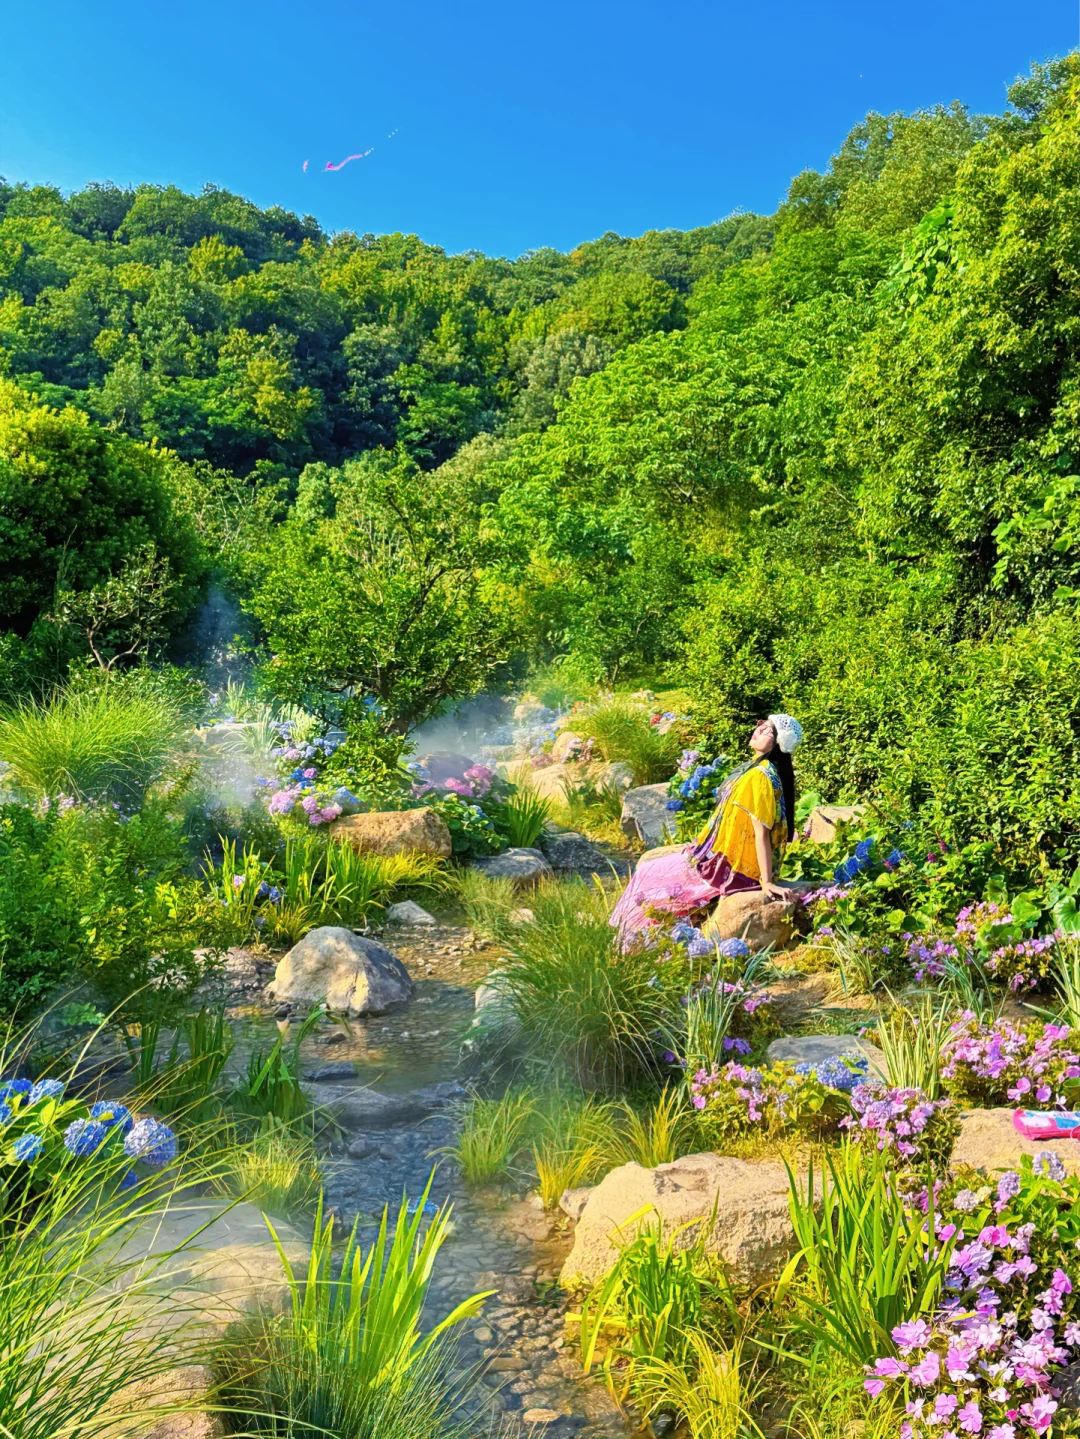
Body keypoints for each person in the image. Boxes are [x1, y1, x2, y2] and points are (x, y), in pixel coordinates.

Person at [609, 713, 803, 946]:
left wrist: (766, 882)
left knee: (648, 873)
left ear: (778, 745)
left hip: (731, 869)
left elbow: (761, 832)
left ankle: (628, 942)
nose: (759, 730)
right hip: (728, 860)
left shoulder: (759, 777)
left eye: (768, 731)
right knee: (654, 871)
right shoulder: (763, 770)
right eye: (762, 725)